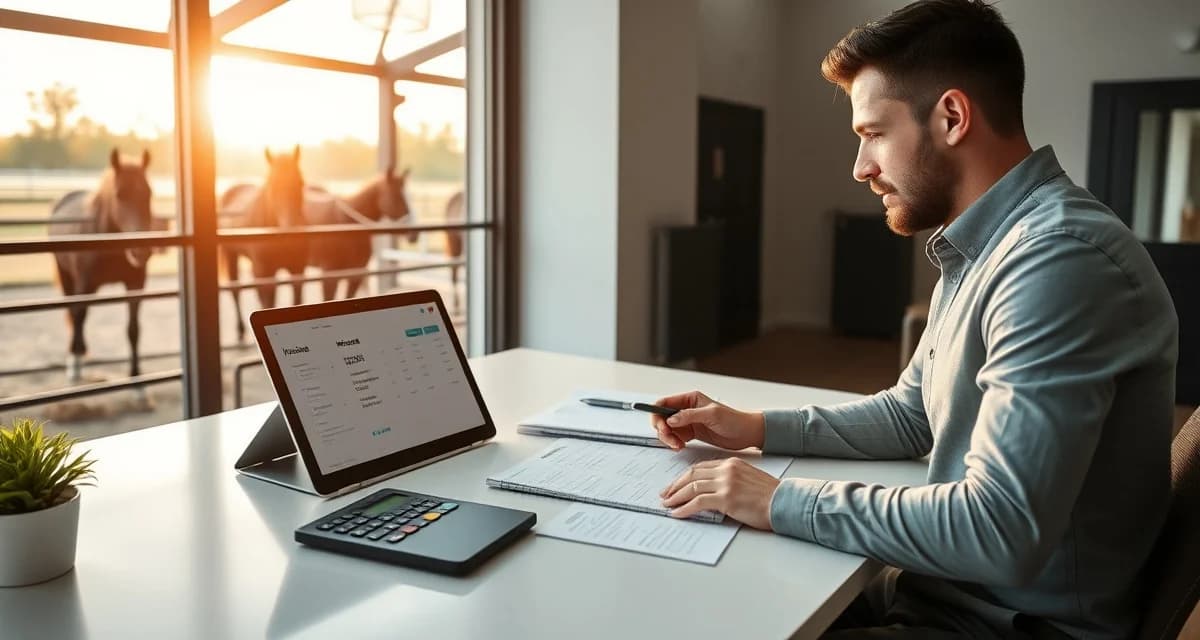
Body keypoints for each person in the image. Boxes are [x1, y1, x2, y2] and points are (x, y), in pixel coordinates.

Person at [652, 1, 1178, 638]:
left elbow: (999, 529)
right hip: (942, 594)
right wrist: (753, 426)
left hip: (1006, 624)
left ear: (952, 117)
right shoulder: (988, 244)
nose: (861, 167)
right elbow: (913, 413)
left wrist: (779, 499)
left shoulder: (1059, 260)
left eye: (872, 132)